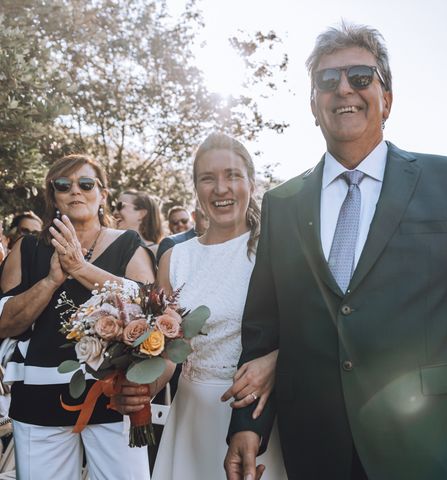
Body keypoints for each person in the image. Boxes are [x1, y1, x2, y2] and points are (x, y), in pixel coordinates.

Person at [225, 23, 447, 480]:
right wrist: (247, 426)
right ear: (313, 105)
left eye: (361, 77)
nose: (343, 88)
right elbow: (266, 331)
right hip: (316, 443)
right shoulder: (282, 203)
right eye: (328, 81)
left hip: (433, 440)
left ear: (387, 98)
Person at [116, 133, 286, 480]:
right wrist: (140, 387)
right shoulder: (175, 258)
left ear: (251, 183)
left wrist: (278, 359)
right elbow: (167, 354)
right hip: (192, 413)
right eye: (208, 178)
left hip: (258, 414)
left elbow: (305, 325)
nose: (221, 188)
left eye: (232, 176)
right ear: (196, 188)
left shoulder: (275, 247)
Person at [0, 154, 155, 480]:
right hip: (38, 398)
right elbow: (5, 323)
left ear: (103, 194)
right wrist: (51, 280)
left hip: (114, 396)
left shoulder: (128, 245)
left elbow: (148, 304)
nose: (76, 191)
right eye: (63, 185)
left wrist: (80, 269)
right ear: (52, 195)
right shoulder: (27, 249)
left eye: (86, 184)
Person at [114, 190, 164, 256]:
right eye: (113, 208)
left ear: (141, 214)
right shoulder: (115, 249)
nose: (114, 213)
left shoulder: (158, 252)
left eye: (120, 206)